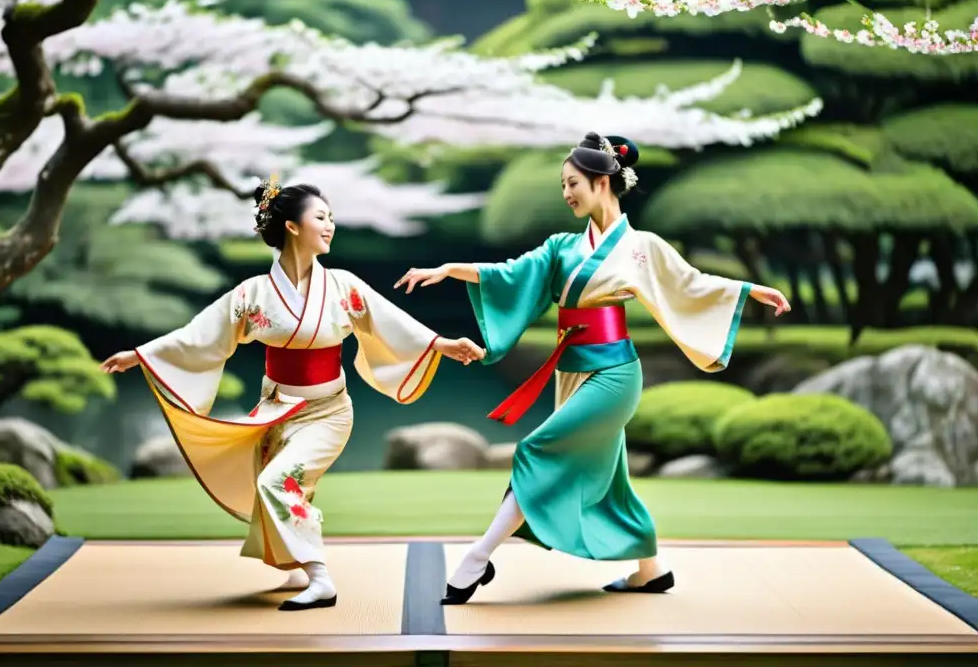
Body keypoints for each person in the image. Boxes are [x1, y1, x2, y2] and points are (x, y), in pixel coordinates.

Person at [395, 132, 790, 605]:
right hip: (573, 371)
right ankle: (652, 571)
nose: (566, 193)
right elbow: (510, 273)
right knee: (612, 480)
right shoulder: (562, 246)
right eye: (562, 184)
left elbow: (692, 283)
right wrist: (448, 269)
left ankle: (476, 558)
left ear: (602, 181)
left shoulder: (642, 246)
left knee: (537, 450)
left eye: (572, 182)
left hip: (614, 373)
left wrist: (749, 291)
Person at [101, 179, 484, 612]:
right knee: (293, 486)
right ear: (292, 226)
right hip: (275, 411)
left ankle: (320, 576)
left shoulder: (342, 285)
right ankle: (298, 565)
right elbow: (201, 336)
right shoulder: (254, 294)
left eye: (332, 217)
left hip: (329, 412)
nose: (330, 225)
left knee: (278, 481)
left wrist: (442, 344)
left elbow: (389, 322)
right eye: (321, 217)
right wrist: (140, 355)